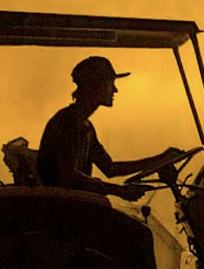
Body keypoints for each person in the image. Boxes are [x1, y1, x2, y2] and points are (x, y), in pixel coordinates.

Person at [39, 56, 187, 200]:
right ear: (94, 86)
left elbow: (110, 168)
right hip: (62, 208)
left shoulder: (85, 126)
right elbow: (70, 178)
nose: (115, 90)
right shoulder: (68, 123)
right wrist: (119, 191)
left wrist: (161, 160)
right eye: (111, 83)